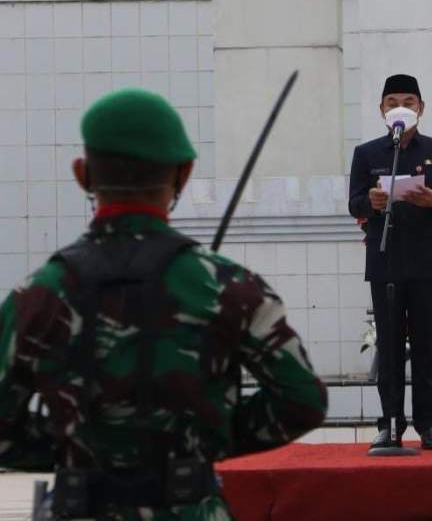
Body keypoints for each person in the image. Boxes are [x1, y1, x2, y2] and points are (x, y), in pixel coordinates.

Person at [0, 88, 327, 519]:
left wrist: (74, 447)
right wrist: (207, 437)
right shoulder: (229, 287)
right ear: (184, 175)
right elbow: (301, 400)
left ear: (83, 174)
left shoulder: (38, 295)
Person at [348, 74, 432, 450]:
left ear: (421, 108)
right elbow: (354, 204)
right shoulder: (367, 154)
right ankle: (389, 423)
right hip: (385, 262)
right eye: (392, 101)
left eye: (409, 102)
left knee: (427, 345)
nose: (401, 108)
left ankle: (428, 422)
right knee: (391, 346)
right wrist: (371, 203)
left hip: (426, 263)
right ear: (381, 110)